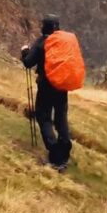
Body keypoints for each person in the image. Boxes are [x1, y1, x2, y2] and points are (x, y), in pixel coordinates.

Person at [21, 14, 72, 172]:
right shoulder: (65, 42)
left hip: (46, 85)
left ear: (45, 27)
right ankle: (65, 149)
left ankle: (55, 155)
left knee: (43, 116)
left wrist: (24, 52)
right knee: (61, 118)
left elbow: (29, 63)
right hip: (62, 86)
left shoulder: (42, 42)